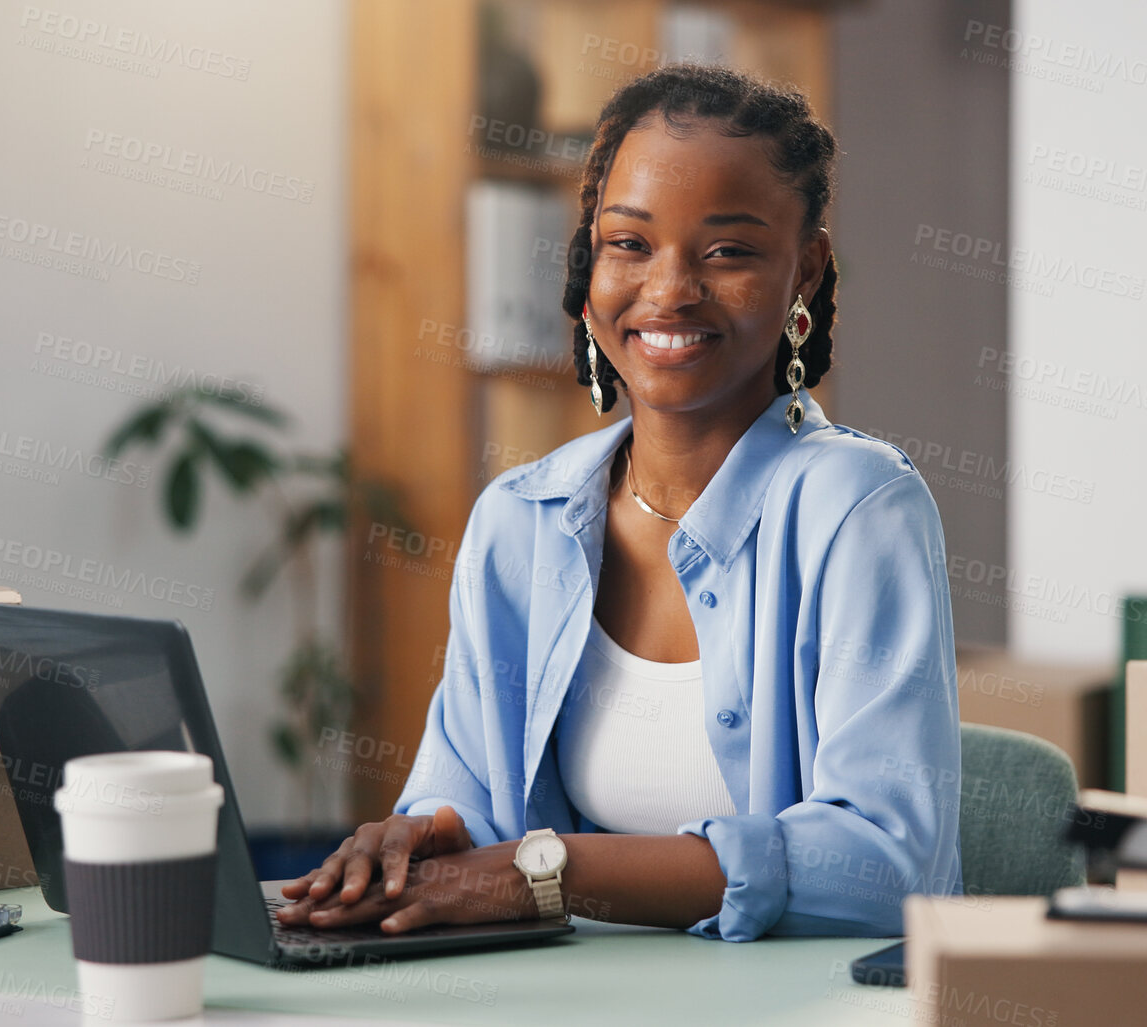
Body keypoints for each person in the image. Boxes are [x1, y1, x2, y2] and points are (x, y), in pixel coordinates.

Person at [278, 63, 960, 943]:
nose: (669, 289)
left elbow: (883, 863)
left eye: (728, 250)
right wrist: (423, 835)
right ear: (588, 261)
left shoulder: (858, 509)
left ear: (805, 272)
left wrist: (542, 875)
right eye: (628, 244)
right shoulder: (521, 516)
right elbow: (473, 797)